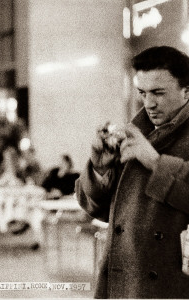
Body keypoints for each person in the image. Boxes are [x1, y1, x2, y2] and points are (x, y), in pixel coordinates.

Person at [75, 46, 189, 298]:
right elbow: (99, 210)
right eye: (142, 93)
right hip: (125, 281)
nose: (149, 104)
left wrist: (156, 163)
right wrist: (99, 169)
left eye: (158, 93)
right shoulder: (136, 134)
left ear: (186, 91)